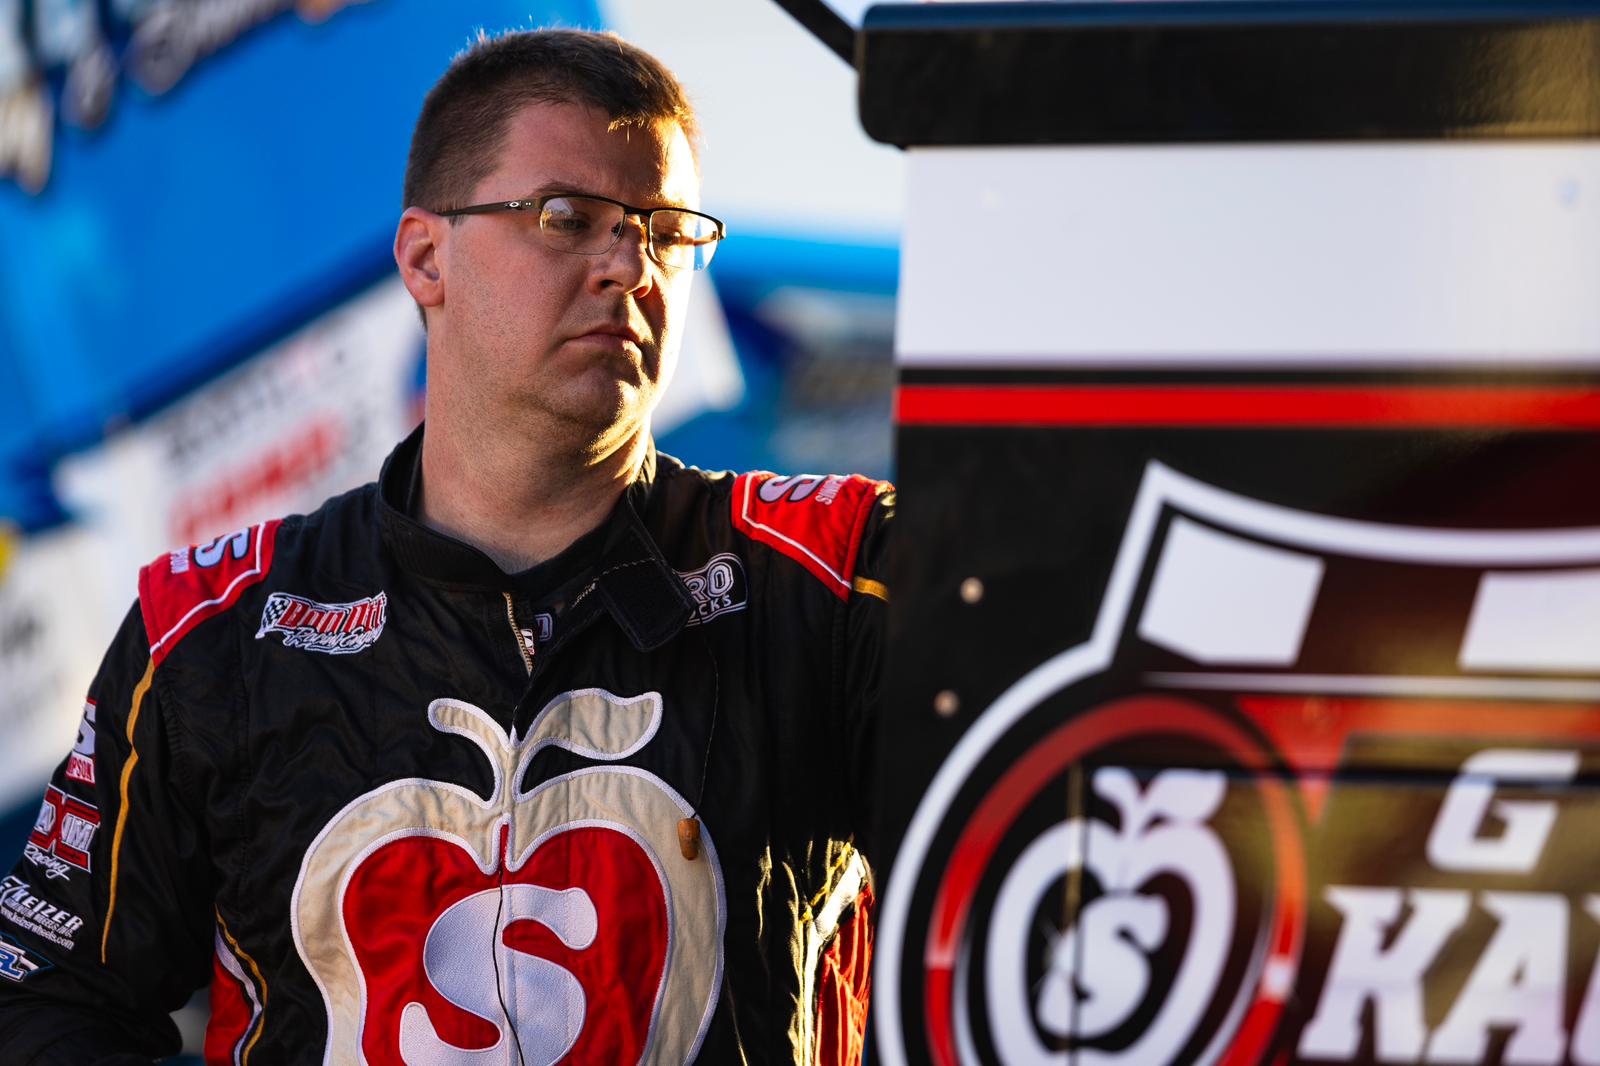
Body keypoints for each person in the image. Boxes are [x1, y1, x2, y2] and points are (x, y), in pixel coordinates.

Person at [0, 28, 891, 1065]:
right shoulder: (210, 628)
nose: (628, 267)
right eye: (569, 219)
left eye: (668, 230)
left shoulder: (832, 568)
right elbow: (44, 1003)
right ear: (426, 256)